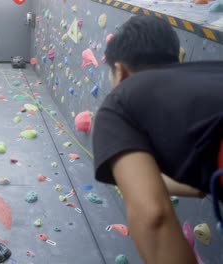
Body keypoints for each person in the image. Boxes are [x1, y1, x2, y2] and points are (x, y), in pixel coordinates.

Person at [93, 15, 223, 264]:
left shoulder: (121, 101)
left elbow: (153, 217)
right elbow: (198, 186)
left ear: (120, 71)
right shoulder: (209, 76)